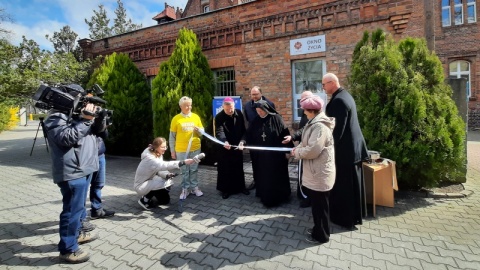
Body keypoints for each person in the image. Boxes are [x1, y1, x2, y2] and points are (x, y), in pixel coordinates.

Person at [44, 102, 102, 264]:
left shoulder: (75, 116)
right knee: (71, 211)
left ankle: (77, 236)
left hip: (83, 167)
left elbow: (97, 134)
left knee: (78, 209)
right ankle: (68, 249)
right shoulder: (55, 117)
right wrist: (85, 120)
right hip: (72, 172)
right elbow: (65, 138)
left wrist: (97, 119)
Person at [323, 72, 369, 229]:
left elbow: (338, 131)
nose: (323, 88)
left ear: (332, 83)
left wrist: (327, 148)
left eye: (324, 85)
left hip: (345, 151)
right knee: (352, 184)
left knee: (345, 186)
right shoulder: (345, 95)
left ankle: (344, 218)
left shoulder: (339, 101)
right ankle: (355, 215)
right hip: (353, 149)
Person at [291, 95, 335, 244]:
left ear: (312, 110)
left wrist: (296, 153)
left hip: (320, 173)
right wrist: (298, 148)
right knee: (317, 207)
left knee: (321, 208)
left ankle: (322, 236)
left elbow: (313, 150)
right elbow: (306, 142)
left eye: (305, 110)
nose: (303, 112)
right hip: (316, 172)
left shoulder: (320, 127)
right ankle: (318, 230)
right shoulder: (314, 123)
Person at [245, 99, 294, 207]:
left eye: (261, 110)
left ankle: (281, 196)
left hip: (276, 157)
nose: (259, 113)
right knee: (264, 177)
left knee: (277, 176)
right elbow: (249, 135)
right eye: (257, 111)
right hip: (262, 157)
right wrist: (244, 142)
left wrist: (287, 150)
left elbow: (285, 135)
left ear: (266, 109)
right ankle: (265, 197)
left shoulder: (277, 118)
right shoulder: (255, 121)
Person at [134, 137, 198, 210]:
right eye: (162, 147)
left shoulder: (157, 153)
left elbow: (159, 169)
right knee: (167, 182)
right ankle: (144, 200)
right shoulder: (150, 158)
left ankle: (151, 194)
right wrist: (184, 162)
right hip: (141, 185)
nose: (165, 149)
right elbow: (164, 165)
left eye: (165, 147)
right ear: (156, 147)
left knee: (165, 201)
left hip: (150, 180)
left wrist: (167, 175)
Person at [169, 96, 204, 200]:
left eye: (190, 105)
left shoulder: (196, 117)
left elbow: (202, 133)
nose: (189, 107)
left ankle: (194, 187)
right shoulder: (176, 119)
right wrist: (172, 151)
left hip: (195, 148)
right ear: (180, 106)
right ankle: (185, 189)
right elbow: (172, 136)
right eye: (186, 105)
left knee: (194, 169)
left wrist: (199, 130)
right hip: (181, 150)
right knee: (184, 170)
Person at [214, 97, 250, 199]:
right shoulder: (219, 117)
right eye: (227, 109)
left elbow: (244, 130)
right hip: (225, 147)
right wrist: (224, 141)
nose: (230, 111)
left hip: (237, 146)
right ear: (223, 107)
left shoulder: (239, 114)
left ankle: (241, 187)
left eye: (231, 109)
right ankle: (226, 190)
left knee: (238, 167)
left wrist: (243, 141)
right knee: (226, 168)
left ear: (234, 106)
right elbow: (219, 131)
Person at [283, 90, 314, 208]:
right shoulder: (305, 112)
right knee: (302, 174)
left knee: (308, 175)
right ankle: (303, 195)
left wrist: (294, 138)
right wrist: (293, 137)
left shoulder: (313, 114)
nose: (301, 103)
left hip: (308, 150)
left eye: (303, 100)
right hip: (303, 147)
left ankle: (308, 198)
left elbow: (306, 130)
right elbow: (302, 130)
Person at [243, 86, 276, 191]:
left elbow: (274, 120)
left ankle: (267, 181)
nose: (254, 96)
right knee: (255, 161)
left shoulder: (269, 104)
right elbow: (247, 122)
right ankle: (256, 180)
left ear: (261, 93)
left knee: (267, 161)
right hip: (254, 139)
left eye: (256, 94)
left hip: (266, 139)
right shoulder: (248, 106)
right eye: (252, 94)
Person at [89, 128, 115, 219]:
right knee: (81, 189)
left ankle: (96, 210)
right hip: (85, 157)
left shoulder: (95, 119)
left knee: (98, 184)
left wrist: (102, 125)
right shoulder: (79, 117)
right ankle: (79, 219)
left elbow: (104, 135)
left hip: (99, 154)